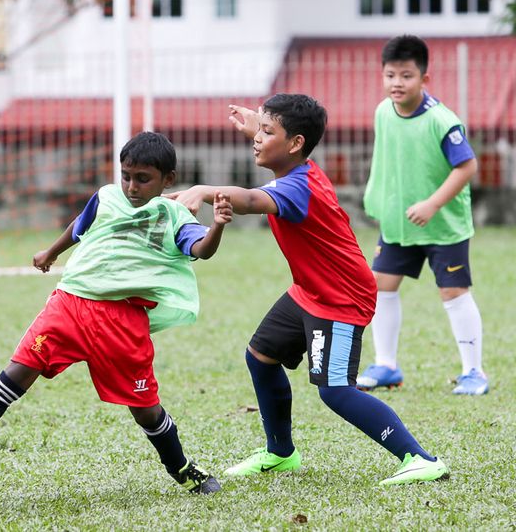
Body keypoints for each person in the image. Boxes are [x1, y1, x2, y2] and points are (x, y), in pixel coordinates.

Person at [168, 94, 448, 485]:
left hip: (341, 297)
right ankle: (280, 453)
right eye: (260, 130)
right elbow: (274, 154)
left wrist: (203, 189)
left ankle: (420, 458)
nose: (257, 138)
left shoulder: (298, 187)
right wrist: (259, 125)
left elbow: (250, 199)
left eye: (268, 132)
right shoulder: (295, 169)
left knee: (335, 391)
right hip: (308, 291)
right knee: (260, 356)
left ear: (296, 143)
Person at [0, 131, 232, 495]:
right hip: (71, 304)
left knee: (145, 409)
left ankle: (180, 467)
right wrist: (51, 252)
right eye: (126, 176)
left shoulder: (174, 215)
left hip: (123, 320)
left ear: (168, 180)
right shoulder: (107, 197)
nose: (132, 186)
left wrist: (217, 225)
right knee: (15, 375)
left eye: (143, 179)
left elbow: (201, 249)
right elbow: (80, 225)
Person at [357, 35, 486, 395]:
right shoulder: (383, 112)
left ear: (424, 79)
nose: (396, 83)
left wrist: (432, 204)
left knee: (453, 291)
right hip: (399, 224)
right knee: (381, 285)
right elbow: (388, 162)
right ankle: (386, 366)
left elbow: (467, 166)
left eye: (406, 76)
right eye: (390, 75)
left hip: (444, 226)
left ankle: (474, 372)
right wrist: (378, 201)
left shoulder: (442, 121)